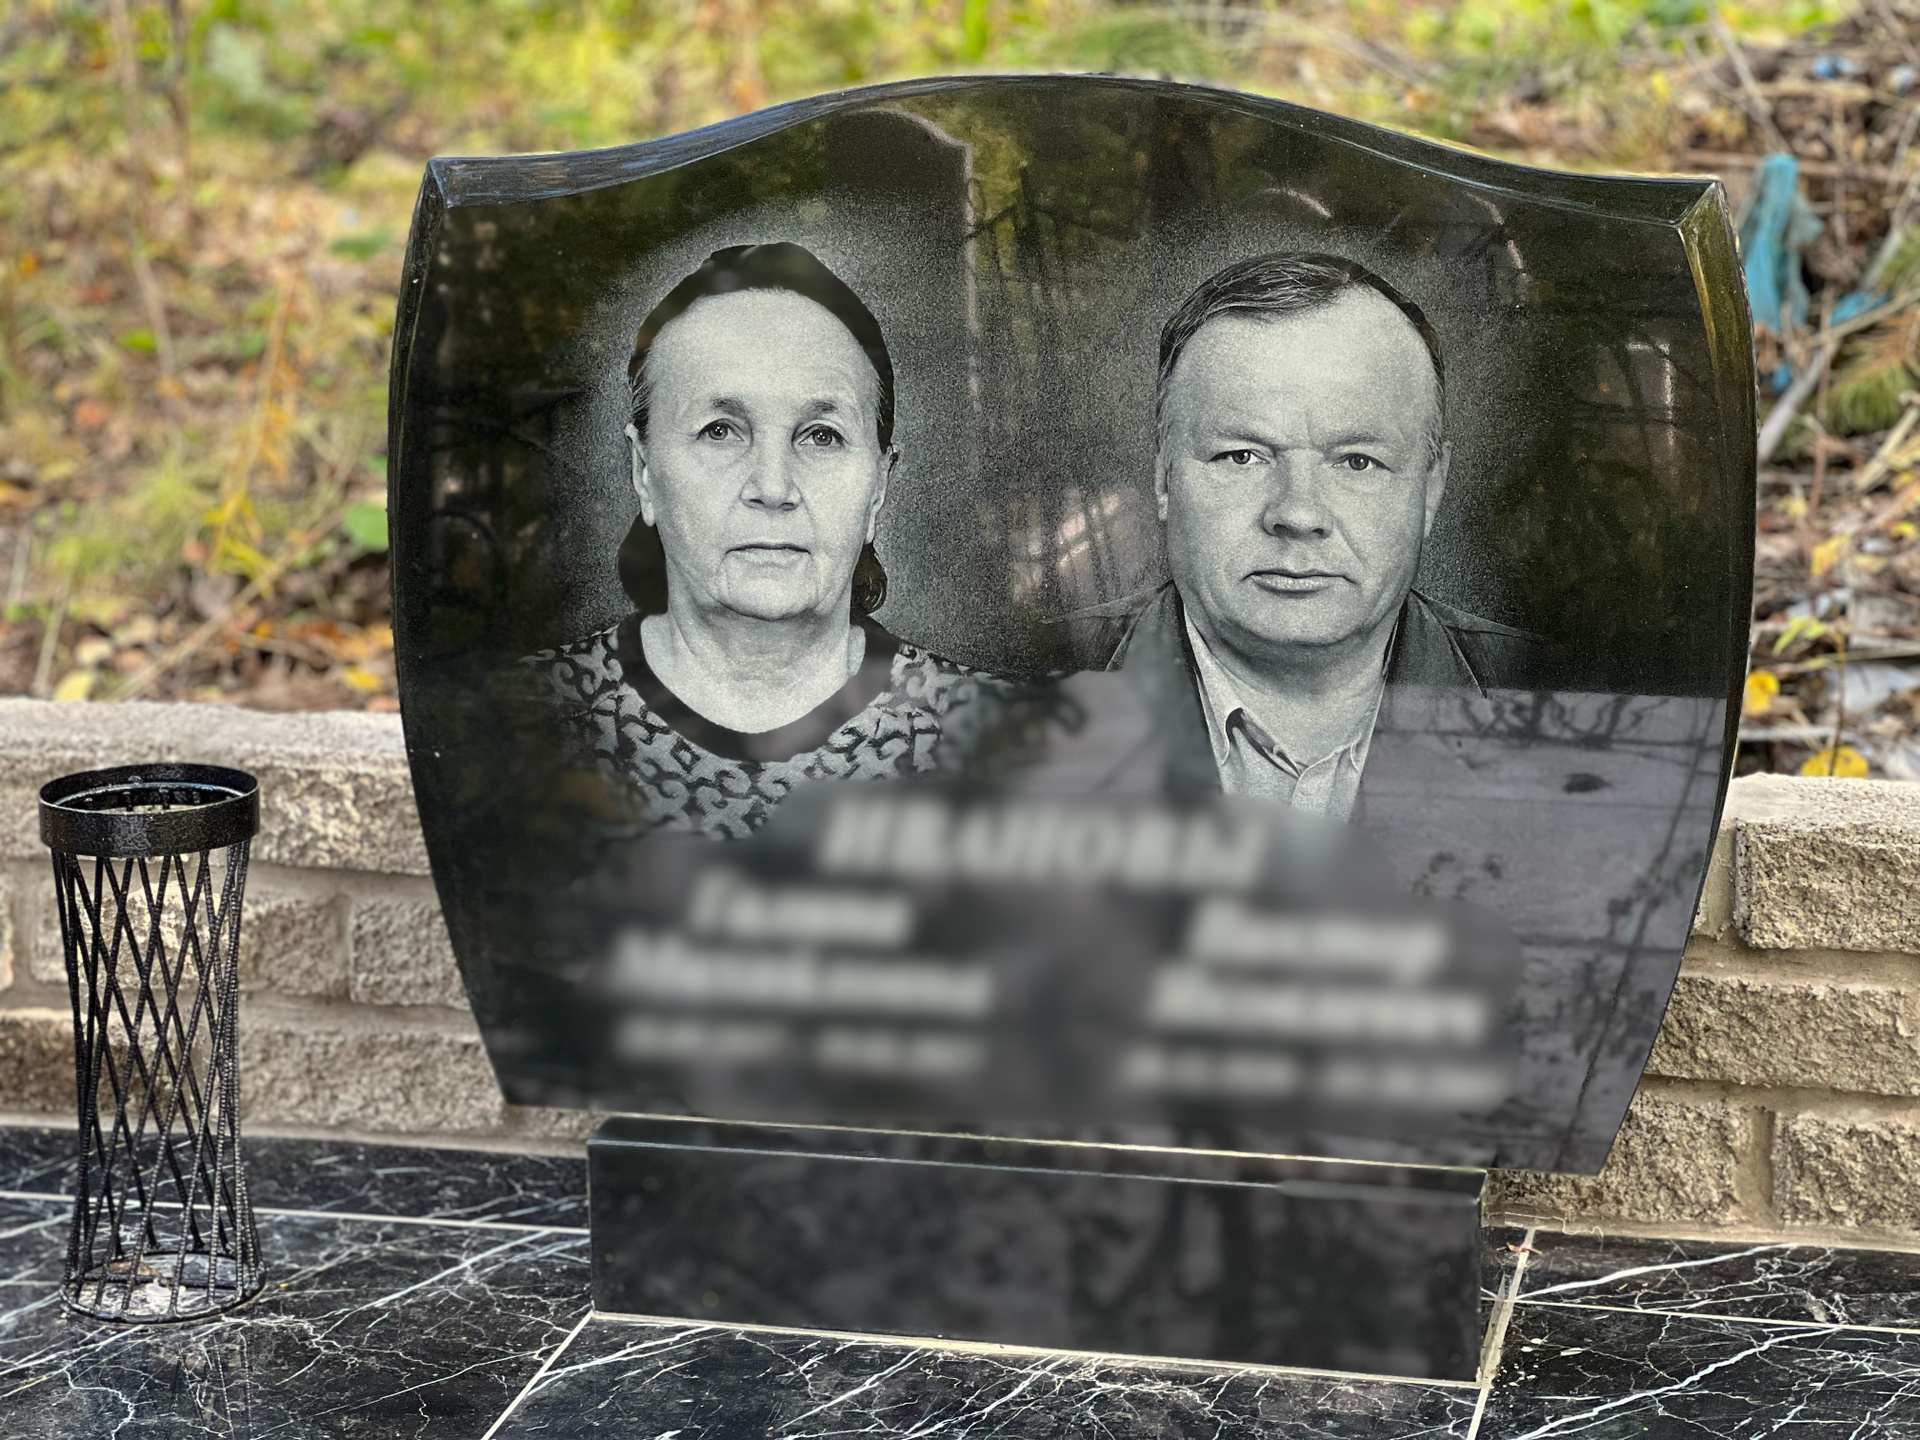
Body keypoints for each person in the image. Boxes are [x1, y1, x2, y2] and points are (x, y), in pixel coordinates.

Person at [527, 243, 1006, 841]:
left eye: (822, 436)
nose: (774, 488)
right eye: (720, 431)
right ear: (643, 472)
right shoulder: (522, 720)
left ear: (878, 487)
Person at [1103, 251, 1540, 820]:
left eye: (1357, 461)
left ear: (1432, 488)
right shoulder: (1012, 685)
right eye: (1242, 455)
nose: (1298, 513)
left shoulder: (1565, 692)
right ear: (1164, 478)